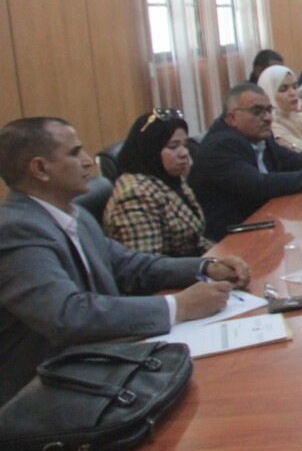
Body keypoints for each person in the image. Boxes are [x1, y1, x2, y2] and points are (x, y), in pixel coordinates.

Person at [0, 117, 250, 405]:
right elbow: (67, 315)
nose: (88, 161)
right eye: (75, 152)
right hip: (45, 395)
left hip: (99, 368)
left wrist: (205, 267)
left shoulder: (73, 215)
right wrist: (179, 306)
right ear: (40, 169)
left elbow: (132, 266)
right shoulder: (15, 229)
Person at [190, 83, 302, 241]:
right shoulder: (221, 146)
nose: (267, 118)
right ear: (232, 118)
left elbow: (289, 158)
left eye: (269, 110)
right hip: (231, 237)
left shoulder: (257, 135)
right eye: (257, 111)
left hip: (264, 222)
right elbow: (257, 185)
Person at [102, 109, 211, 257]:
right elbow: (148, 265)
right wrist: (205, 266)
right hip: (176, 271)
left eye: (184, 145)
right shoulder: (135, 195)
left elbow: (194, 240)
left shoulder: (167, 176)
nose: (184, 153)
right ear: (151, 149)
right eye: (173, 147)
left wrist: (221, 257)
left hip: (193, 264)